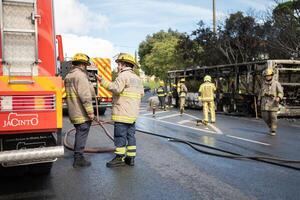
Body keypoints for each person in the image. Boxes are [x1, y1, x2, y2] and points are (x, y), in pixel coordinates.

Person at [96, 53, 144, 167]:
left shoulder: (123, 76)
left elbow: (116, 88)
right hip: (132, 114)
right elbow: (141, 94)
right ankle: (130, 158)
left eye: (118, 64)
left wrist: (102, 81)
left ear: (123, 64)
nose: (117, 66)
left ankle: (119, 158)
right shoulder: (137, 79)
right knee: (130, 136)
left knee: (120, 136)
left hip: (122, 112)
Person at [65, 53, 95, 168]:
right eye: (86, 65)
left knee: (79, 133)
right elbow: (86, 97)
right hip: (81, 112)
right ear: (83, 65)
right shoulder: (81, 76)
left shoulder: (69, 76)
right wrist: (90, 113)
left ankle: (78, 157)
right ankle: (78, 159)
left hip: (73, 110)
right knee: (82, 133)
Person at [259, 68, 283, 136]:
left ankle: (273, 129)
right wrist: (258, 100)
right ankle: (271, 126)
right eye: (266, 75)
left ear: (272, 75)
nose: (268, 77)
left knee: (273, 116)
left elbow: (281, 92)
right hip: (265, 103)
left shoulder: (276, 83)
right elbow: (260, 92)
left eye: (269, 75)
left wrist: (278, 97)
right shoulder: (263, 83)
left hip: (273, 102)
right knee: (264, 116)